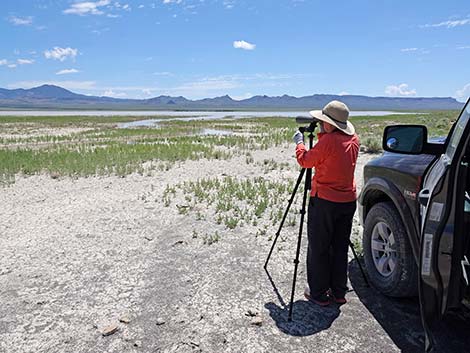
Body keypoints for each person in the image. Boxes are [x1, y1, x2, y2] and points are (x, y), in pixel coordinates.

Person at [293, 100, 359, 306]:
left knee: (319, 247)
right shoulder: (354, 139)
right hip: (347, 201)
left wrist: (299, 143)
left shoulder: (328, 142)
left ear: (330, 124)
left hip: (325, 202)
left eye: (323, 122)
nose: (321, 124)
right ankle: (339, 291)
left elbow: (305, 161)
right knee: (339, 247)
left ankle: (319, 293)